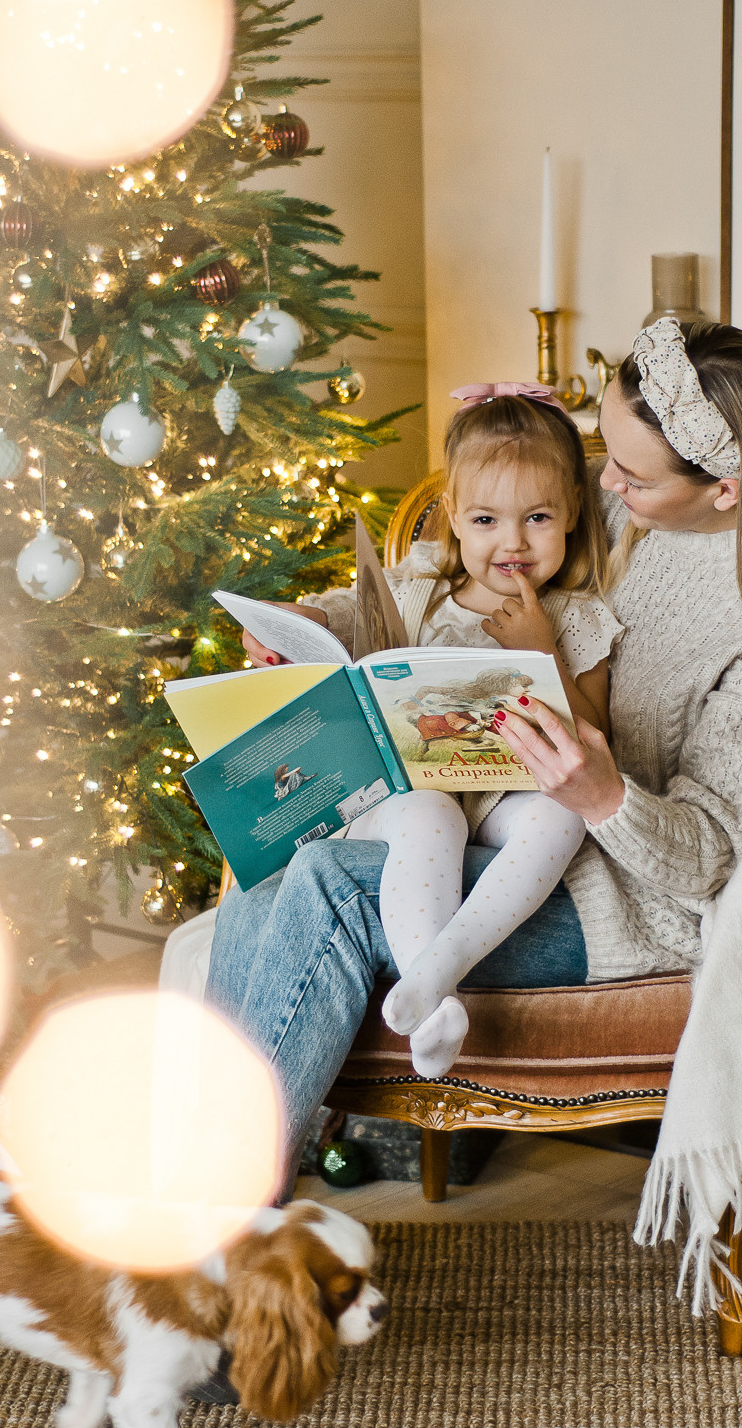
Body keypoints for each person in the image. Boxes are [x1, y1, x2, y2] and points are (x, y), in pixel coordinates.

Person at [202, 320, 742, 1186]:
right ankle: (200, 1174)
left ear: (726, 490)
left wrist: (603, 795)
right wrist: (318, 625)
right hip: (483, 823)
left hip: (617, 897)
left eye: (630, 473)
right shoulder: (620, 501)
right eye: (608, 455)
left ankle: (215, 1208)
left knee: (332, 887)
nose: (605, 482)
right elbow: (440, 567)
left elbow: (707, 862)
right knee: (271, 869)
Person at [244, 383, 621, 1078]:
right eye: (485, 520)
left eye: (537, 517)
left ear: (572, 509)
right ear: (453, 516)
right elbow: (335, 612)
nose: (511, 542)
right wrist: (291, 622)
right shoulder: (421, 587)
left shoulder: (578, 617)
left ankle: (442, 965)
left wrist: (543, 653)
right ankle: (434, 994)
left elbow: (594, 742)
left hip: (507, 799)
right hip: (409, 795)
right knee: (430, 818)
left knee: (564, 818)